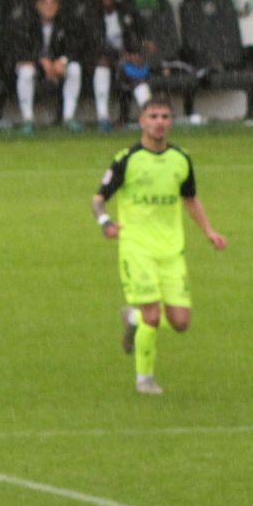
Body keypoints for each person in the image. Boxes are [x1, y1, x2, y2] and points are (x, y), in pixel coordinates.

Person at [93, 99, 229, 396]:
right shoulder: (126, 158)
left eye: (165, 116)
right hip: (136, 246)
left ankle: (132, 318)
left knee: (180, 322)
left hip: (171, 250)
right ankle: (145, 379)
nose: (159, 122)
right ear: (141, 121)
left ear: (171, 122)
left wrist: (209, 231)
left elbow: (190, 199)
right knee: (153, 316)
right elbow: (98, 198)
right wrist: (105, 223)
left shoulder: (181, 159)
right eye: (153, 116)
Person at [13, 0, 84, 134]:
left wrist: (63, 61)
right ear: (37, 5)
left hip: (57, 65)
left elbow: (76, 45)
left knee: (75, 68)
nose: (49, 6)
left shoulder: (66, 21)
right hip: (34, 64)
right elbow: (18, 48)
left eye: (53, 2)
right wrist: (40, 61)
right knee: (25, 71)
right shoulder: (25, 21)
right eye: (44, 3)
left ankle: (68, 117)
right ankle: (27, 120)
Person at [90, 0, 153, 132]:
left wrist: (139, 52)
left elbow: (141, 34)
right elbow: (95, 44)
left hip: (126, 57)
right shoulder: (92, 14)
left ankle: (151, 116)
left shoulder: (126, 11)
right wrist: (120, 55)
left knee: (135, 72)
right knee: (103, 63)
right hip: (98, 58)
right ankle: (103, 117)